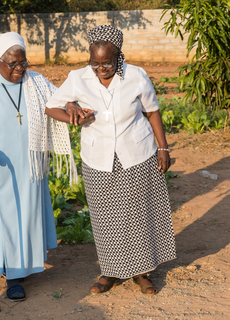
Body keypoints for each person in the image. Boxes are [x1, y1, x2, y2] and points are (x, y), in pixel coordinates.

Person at [46, 25, 176, 295]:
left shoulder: (136, 76)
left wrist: (163, 149)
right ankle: (110, 271)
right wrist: (73, 115)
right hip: (98, 158)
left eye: (107, 62)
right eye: (95, 62)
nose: (101, 68)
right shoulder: (78, 78)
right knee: (106, 217)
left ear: (119, 56)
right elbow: (51, 106)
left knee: (138, 214)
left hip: (137, 154)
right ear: (89, 58)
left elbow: (152, 111)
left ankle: (142, 272)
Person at [0, 32, 86, 301]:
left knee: (27, 214)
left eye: (23, 63)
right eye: (13, 65)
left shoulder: (36, 82)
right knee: (3, 217)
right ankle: (13, 276)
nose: (19, 69)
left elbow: (58, 97)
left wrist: (72, 104)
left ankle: (24, 264)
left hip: (28, 164)